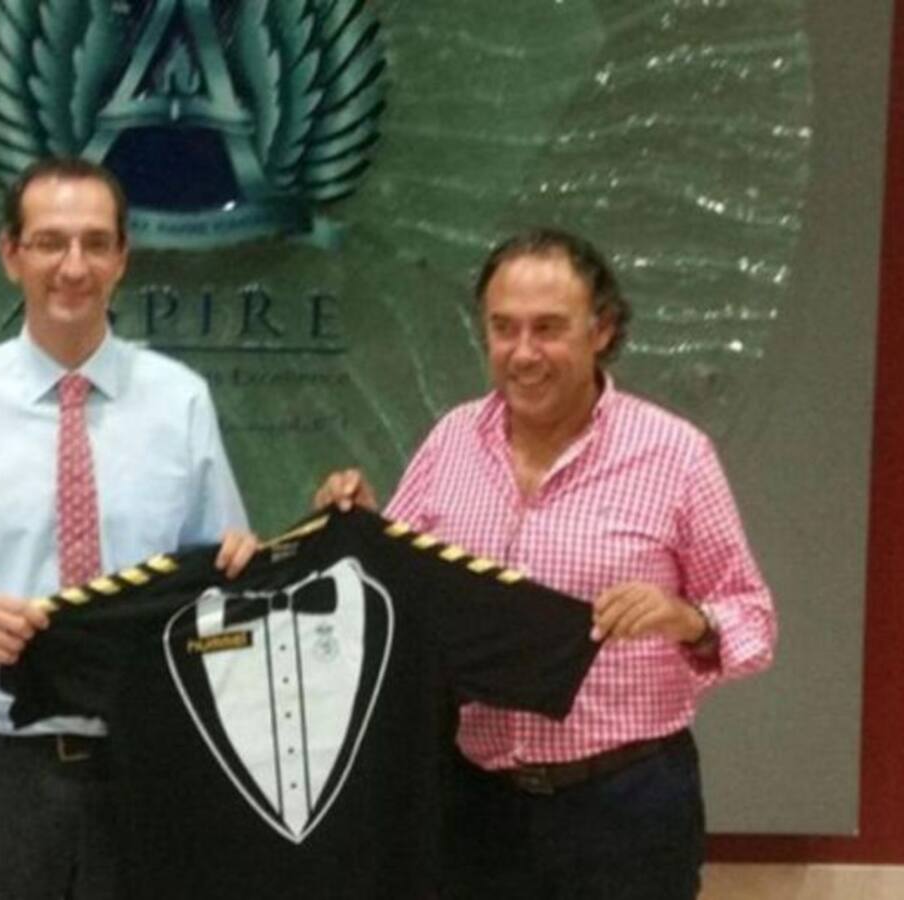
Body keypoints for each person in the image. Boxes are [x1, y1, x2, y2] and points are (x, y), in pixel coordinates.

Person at [314, 227, 776, 899]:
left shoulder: (676, 454)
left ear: (602, 330)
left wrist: (688, 620)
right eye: (504, 328)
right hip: (477, 803)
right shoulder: (451, 443)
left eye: (548, 328)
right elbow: (397, 595)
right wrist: (356, 525)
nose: (523, 353)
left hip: (626, 804)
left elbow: (752, 618)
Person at [0, 157, 255, 900]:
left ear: (122, 258)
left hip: (145, 764)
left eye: (96, 243)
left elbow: (217, 580)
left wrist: (241, 571)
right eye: (49, 242)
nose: (73, 266)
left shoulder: (181, 403)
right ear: (11, 255)